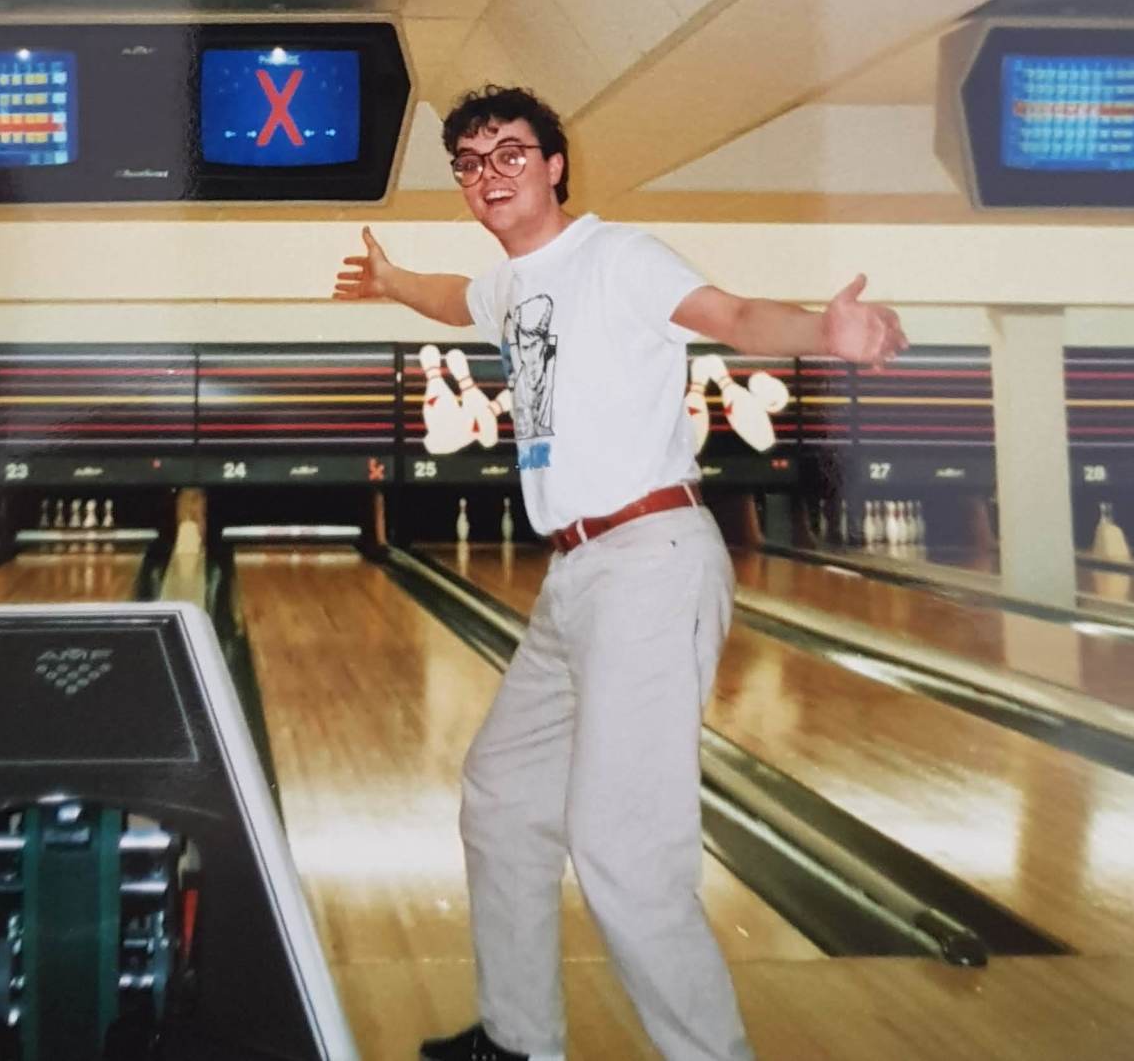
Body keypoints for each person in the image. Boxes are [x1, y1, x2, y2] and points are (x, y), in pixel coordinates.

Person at [333, 85, 905, 1061]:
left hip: (649, 559)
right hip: (577, 575)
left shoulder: (619, 257)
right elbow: (453, 296)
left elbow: (731, 313)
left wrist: (826, 332)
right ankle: (519, 1039)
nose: (488, 175)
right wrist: (391, 280)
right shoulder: (508, 287)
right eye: (469, 162)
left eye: (510, 153)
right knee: (504, 794)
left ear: (555, 165)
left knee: (626, 852)